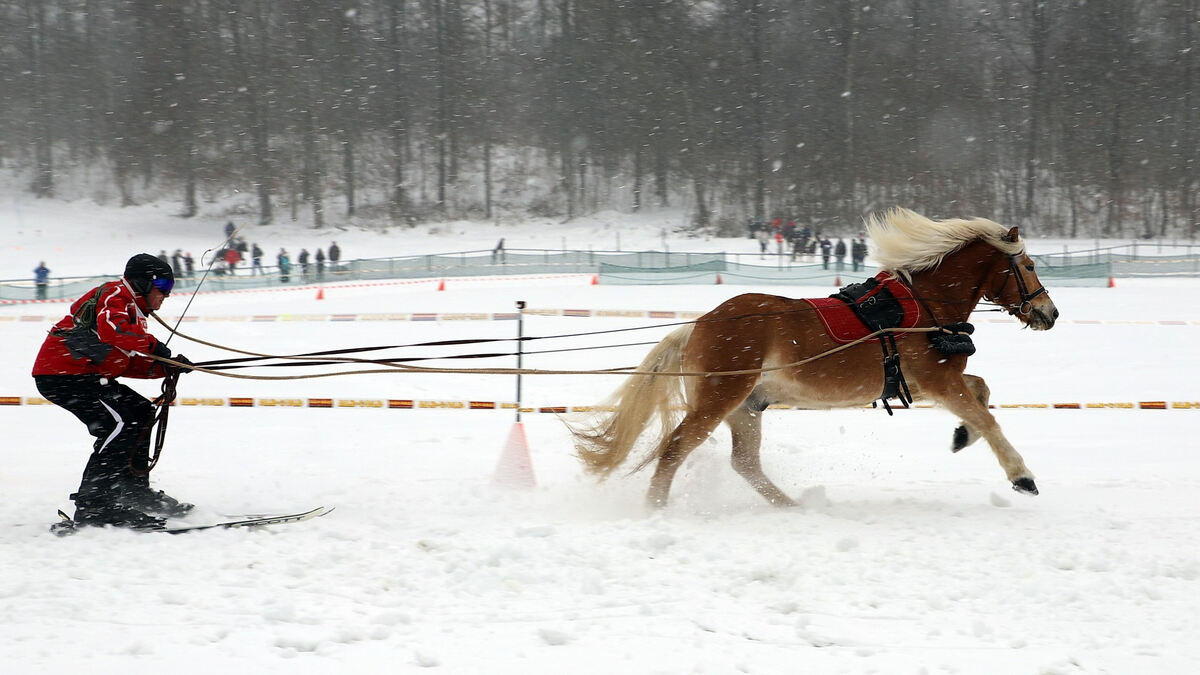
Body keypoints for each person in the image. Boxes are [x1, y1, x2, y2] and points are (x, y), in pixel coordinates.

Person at [32, 254, 194, 529]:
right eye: (163, 285)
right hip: (62, 375)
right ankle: (95, 505)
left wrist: (165, 368)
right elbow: (113, 331)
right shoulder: (115, 293)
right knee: (120, 424)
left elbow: (122, 360)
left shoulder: (133, 314)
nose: (166, 294)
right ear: (142, 282)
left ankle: (134, 492)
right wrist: (155, 348)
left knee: (141, 412)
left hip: (86, 376)